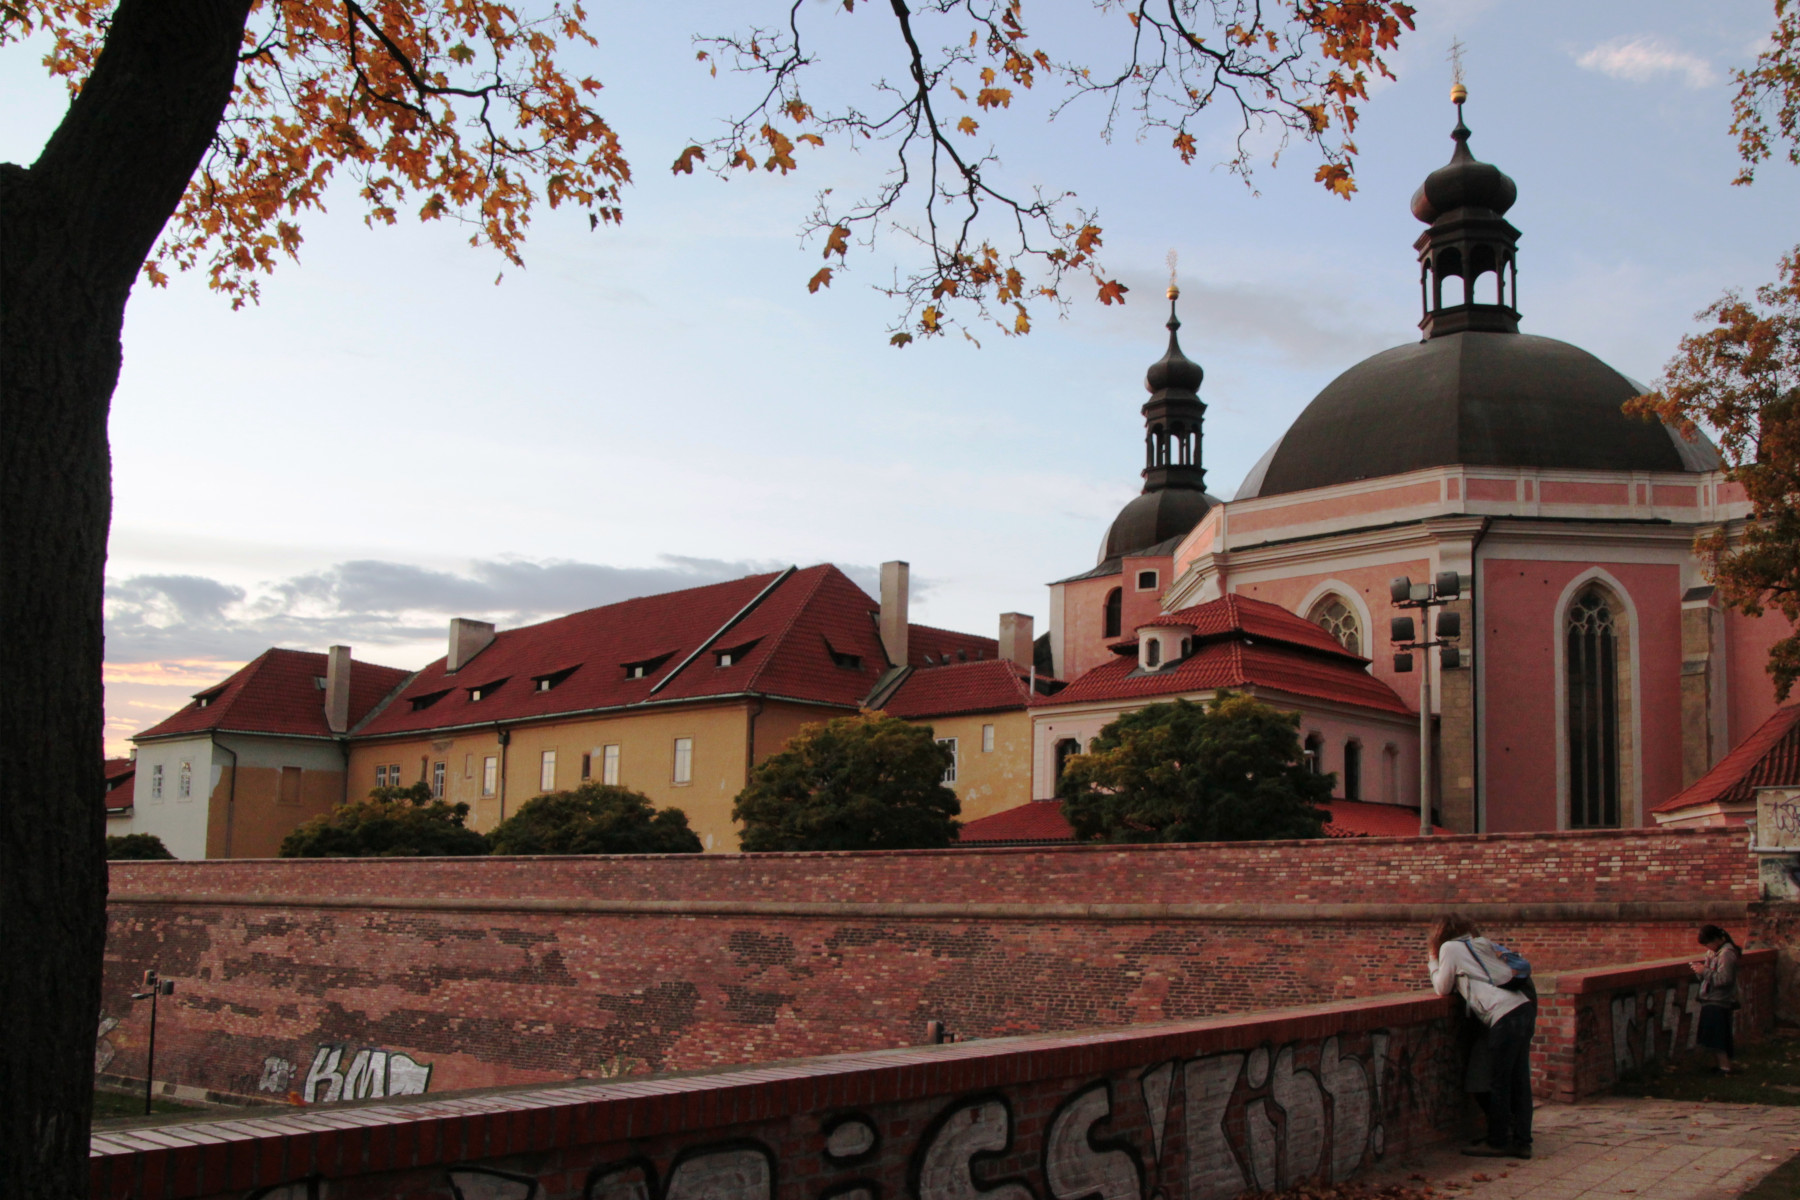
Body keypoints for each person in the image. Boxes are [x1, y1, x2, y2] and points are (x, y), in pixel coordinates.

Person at [1428, 914, 1536, 1159]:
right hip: (1523, 1008)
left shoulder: (1450, 948)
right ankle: (1522, 1141)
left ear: (1440, 934)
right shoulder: (1481, 943)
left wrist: (1433, 963)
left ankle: (1497, 1142)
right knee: (1520, 1081)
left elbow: (1442, 988)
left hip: (1503, 1015)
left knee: (1499, 1081)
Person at [1691, 924, 1741, 1074]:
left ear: (1716, 940)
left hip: (1719, 1000)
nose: (1707, 947)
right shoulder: (1714, 953)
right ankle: (1720, 1065)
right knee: (1712, 1037)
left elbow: (1724, 979)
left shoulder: (1726, 954)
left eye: (1707, 943)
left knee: (1717, 1037)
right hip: (1711, 999)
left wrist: (1704, 971)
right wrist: (1700, 971)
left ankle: (1725, 1067)